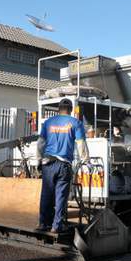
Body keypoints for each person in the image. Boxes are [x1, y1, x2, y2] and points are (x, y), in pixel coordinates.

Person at [36, 98, 90, 233]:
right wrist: (85, 160)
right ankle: (56, 226)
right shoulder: (75, 123)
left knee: (46, 195)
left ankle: (43, 223)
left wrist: (38, 160)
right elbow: (81, 143)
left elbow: (40, 143)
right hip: (64, 165)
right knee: (60, 196)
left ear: (58, 109)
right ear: (71, 110)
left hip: (48, 163)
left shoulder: (48, 123)